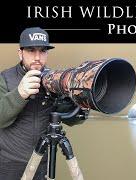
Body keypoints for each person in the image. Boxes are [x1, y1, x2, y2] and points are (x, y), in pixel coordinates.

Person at [0, 27, 86, 180]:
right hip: (8, 164)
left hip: (42, 163)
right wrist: (19, 94)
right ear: (20, 53)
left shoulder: (54, 81)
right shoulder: (5, 78)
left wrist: (80, 102)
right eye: (31, 50)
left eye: (43, 51)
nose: (37, 57)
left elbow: (70, 120)